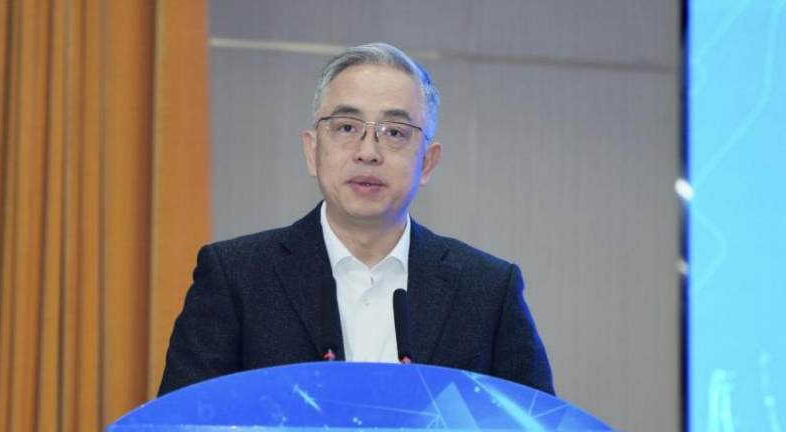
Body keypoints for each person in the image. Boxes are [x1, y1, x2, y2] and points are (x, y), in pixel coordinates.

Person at [158, 43, 553, 396]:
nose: (368, 152)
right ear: (313, 151)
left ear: (428, 163)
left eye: (394, 132)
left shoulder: (487, 291)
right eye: (347, 127)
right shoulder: (237, 278)